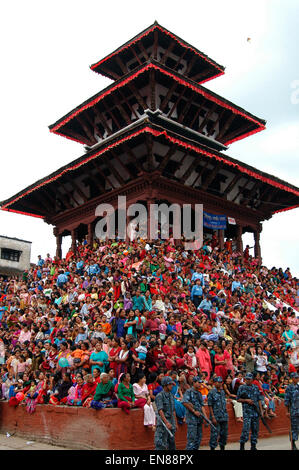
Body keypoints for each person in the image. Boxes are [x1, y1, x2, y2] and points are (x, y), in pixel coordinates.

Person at [237, 372, 264, 451]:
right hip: (247, 412)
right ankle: (242, 445)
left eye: (249, 379)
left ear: (252, 379)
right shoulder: (242, 387)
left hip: (255, 412)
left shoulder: (255, 387)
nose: (248, 380)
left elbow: (259, 399)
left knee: (255, 430)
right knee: (246, 429)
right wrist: (246, 400)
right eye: (246, 379)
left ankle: (253, 446)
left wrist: (261, 410)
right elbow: (238, 399)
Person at [182, 376, 209, 450]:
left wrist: (205, 417)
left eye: (200, 382)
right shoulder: (189, 392)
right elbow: (184, 402)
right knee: (191, 439)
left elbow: (202, 406)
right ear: (193, 383)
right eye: (198, 382)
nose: (200, 384)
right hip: (192, 419)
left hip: (199, 419)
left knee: (198, 439)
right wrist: (194, 411)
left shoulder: (199, 393)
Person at [154, 376, 177, 450]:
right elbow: (160, 411)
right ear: (165, 385)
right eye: (170, 384)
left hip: (171, 422)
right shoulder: (160, 396)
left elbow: (173, 410)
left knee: (171, 444)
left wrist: (175, 423)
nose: (171, 386)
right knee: (160, 445)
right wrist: (166, 422)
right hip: (163, 424)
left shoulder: (171, 396)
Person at [207, 376, 228, 450]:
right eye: (218, 382)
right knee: (215, 434)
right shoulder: (211, 392)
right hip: (216, 416)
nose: (219, 384)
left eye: (220, 382)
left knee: (224, 434)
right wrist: (212, 416)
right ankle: (212, 448)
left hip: (224, 416)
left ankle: (222, 447)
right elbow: (210, 405)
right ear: (214, 383)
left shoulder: (222, 392)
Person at [284, 372, 299, 450]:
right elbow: (286, 401)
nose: (297, 379)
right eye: (296, 378)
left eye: (298, 378)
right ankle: (293, 444)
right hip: (293, 411)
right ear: (292, 378)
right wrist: (287, 411)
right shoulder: (289, 388)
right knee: (294, 428)